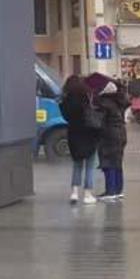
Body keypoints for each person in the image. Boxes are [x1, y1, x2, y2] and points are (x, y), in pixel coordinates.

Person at [59, 75, 100, 205]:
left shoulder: (65, 100)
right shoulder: (87, 97)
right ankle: (87, 194)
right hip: (89, 133)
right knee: (89, 166)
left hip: (74, 134)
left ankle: (74, 192)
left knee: (77, 164)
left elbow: (65, 117)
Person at [96, 81, 130, 201]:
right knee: (117, 163)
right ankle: (118, 190)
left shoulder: (104, 103)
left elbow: (99, 122)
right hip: (121, 133)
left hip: (109, 135)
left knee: (108, 162)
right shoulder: (119, 102)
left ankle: (110, 191)